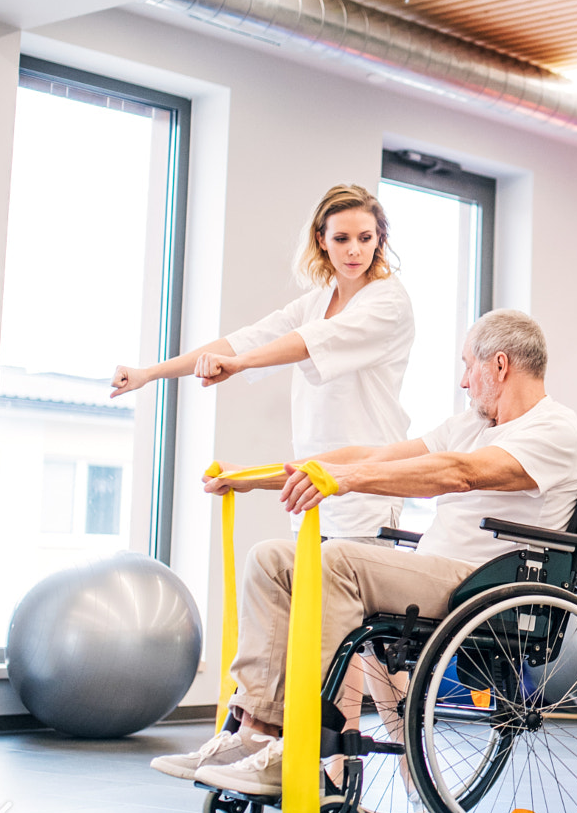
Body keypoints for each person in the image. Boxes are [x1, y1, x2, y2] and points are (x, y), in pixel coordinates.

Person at [152, 310, 577, 797]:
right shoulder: (472, 424)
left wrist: (346, 483)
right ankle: (254, 730)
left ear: (500, 366)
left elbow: (459, 473)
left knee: (338, 558)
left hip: (485, 585)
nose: (464, 382)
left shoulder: (556, 430)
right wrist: (257, 475)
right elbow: (371, 456)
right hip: (440, 575)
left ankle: (307, 743)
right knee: (272, 559)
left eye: (468, 366)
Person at [111, 182, 414, 545]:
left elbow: (308, 342)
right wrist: (149, 373)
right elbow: (246, 339)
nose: (354, 250)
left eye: (365, 238)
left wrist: (237, 364)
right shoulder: (317, 301)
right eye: (341, 238)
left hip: (365, 495)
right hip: (310, 488)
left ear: (380, 239)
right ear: (321, 240)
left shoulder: (387, 302)